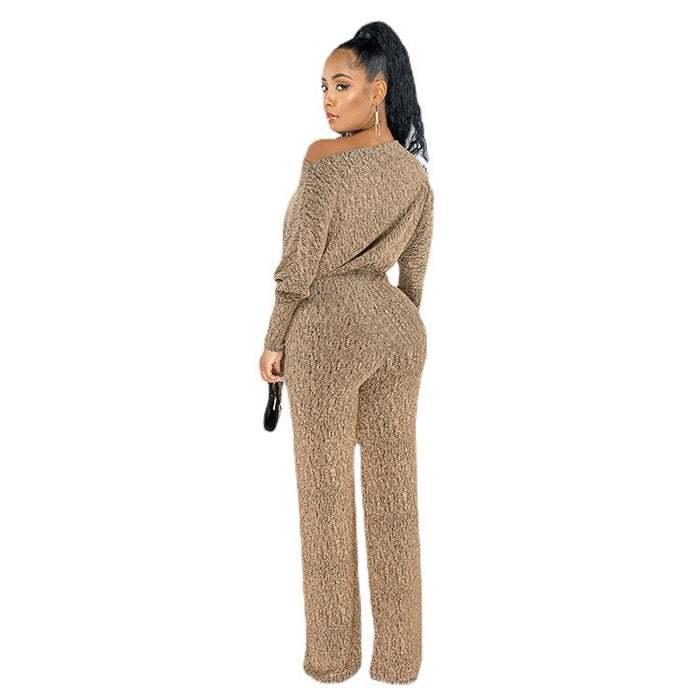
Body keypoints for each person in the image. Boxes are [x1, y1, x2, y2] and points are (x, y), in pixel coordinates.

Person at [259, 21, 434, 685]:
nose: (329, 100)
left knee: (326, 500)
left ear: (378, 90)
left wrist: (275, 338)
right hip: (398, 330)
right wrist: (394, 327)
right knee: (395, 500)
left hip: (327, 329)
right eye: (324, 88)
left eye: (342, 85)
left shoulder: (324, 160)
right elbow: (415, 274)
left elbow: (299, 264)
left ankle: (334, 660)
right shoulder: (415, 177)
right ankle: (400, 660)